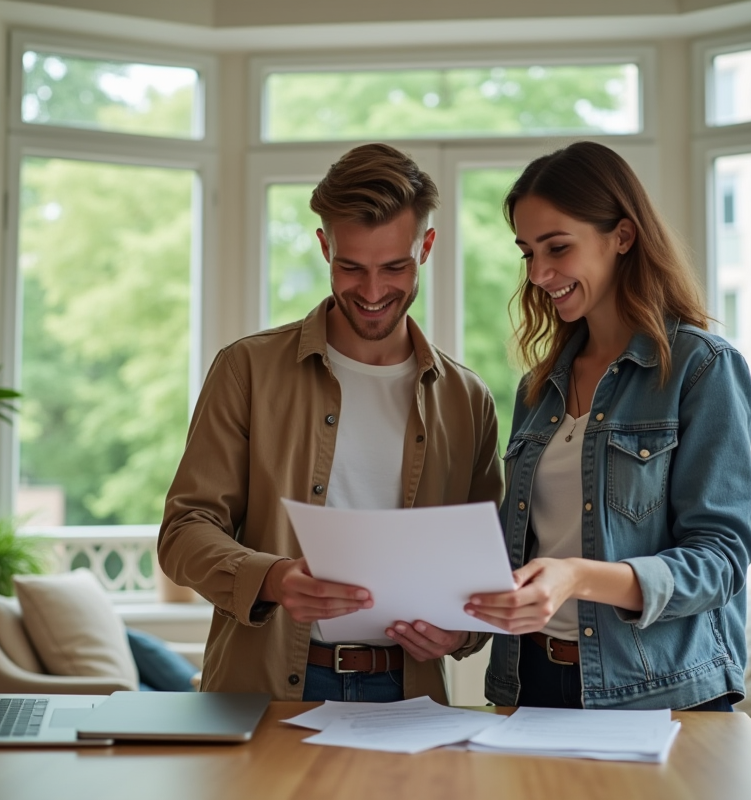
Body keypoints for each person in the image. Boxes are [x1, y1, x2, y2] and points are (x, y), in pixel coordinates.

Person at [158, 143, 502, 704]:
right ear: (324, 246)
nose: (372, 293)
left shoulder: (467, 399)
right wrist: (273, 578)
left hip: (408, 693)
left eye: (395, 267)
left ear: (428, 247)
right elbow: (183, 534)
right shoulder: (246, 369)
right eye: (351, 267)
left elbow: (488, 562)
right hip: (266, 690)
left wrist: (462, 632)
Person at [467, 141, 751, 711]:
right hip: (532, 685)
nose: (540, 273)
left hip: (659, 693)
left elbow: (720, 561)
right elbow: (522, 547)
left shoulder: (700, 369)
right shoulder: (537, 388)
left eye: (558, 247)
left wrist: (578, 576)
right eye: (527, 253)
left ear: (621, 236)